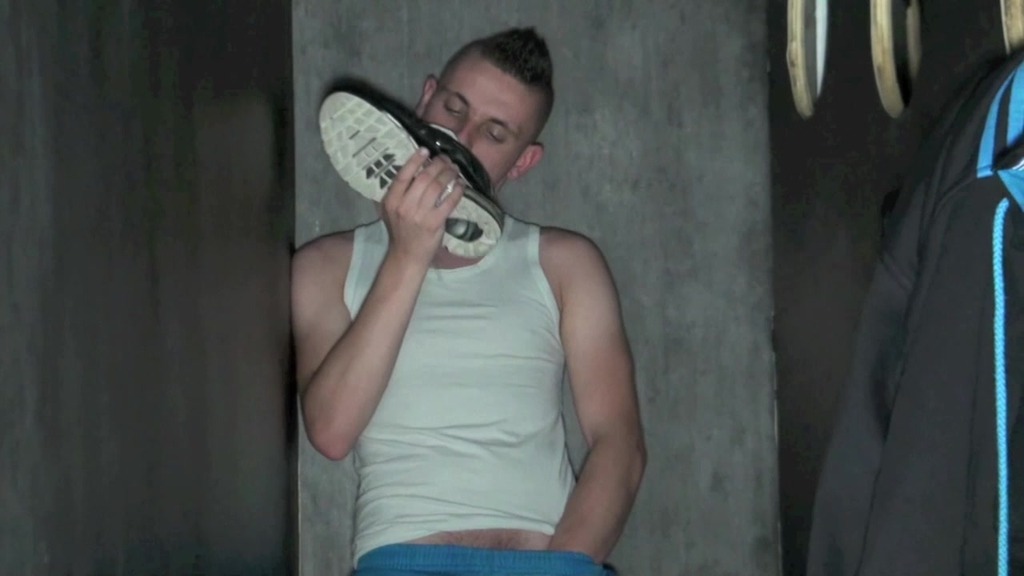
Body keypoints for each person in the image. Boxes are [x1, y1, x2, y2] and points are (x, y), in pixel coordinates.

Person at [291, 27, 647, 576]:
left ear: (522, 163)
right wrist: (408, 255)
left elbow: (618, 442)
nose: (459, 137)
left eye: (494, 133)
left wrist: (562, 569)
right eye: (453, 108)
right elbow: (332, 432)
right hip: (403, 562)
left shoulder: (565, 264)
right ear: (425, 99)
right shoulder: (324, 268)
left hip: (548, 563)